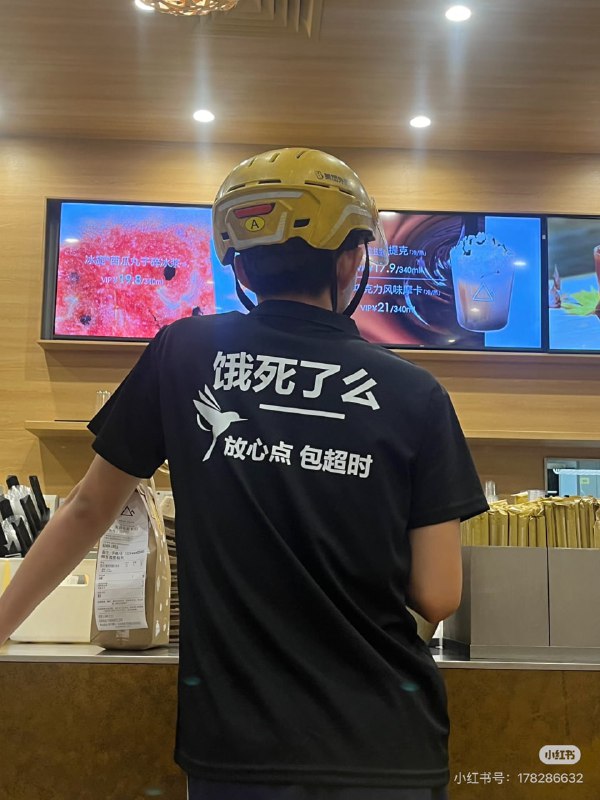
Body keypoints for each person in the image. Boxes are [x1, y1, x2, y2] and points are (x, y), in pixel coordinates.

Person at [0, 148, 488, 800]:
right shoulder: (416, 394)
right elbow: (438, 594)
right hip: (387, 743)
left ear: (239, 262)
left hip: (239, 749)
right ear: (352, 260)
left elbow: (88, 508)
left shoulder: (185, 351)